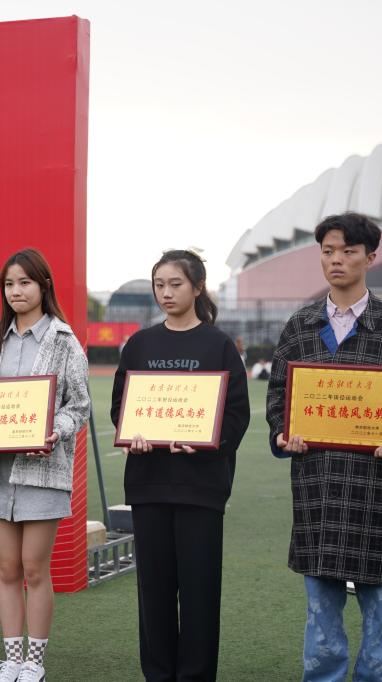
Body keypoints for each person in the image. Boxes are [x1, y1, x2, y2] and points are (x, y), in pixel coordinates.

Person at [266, 212, 382, 681]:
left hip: (380, 491)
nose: (336, 260)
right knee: (321, 618)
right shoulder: (301, 325)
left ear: (370, 257)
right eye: (328, 251)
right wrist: (282, 432)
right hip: (320, 488)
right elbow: (280, 392)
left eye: (348, 251)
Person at [110, 249, 250, 682]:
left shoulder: (219, 345)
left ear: (197, 287)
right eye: (159, 285)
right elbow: (121, 406)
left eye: (175, 284)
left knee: (199, 593)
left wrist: (206, 444)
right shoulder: (140, 344)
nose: (166, 293)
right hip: (149, 485)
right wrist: (132, 433)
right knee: (153, 592)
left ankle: (195, 675)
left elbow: (236, 414)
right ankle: (158, 674)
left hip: (200, 488)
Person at [0, 248, 90, 682]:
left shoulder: (64, 340)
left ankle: (35, 662)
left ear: (43, 285)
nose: (16, 291)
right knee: (8, 569)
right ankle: (11, 658)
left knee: (34, 568)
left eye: (25, 282)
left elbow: (79, 406)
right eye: (9, 284)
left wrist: (54, 431)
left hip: (41, 472)